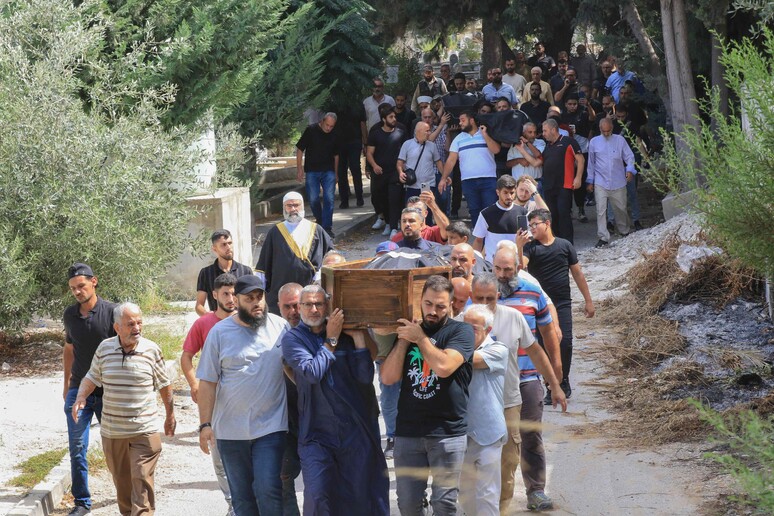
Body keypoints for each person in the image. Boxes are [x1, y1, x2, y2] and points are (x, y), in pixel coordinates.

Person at [282, 285, 389, 515]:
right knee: (318, 495)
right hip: (315, 433)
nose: (313, 309)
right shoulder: (293, 339)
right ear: (299, 308)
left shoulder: (345, 335)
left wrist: (359, 337)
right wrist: (331, 338)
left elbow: (364, 377)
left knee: (357, 495)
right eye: (308, 304)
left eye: (319, 304)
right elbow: (312, 373)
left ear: (327, 306)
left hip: (353, 431)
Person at [467, 273, 567, 513]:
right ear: (471, 297)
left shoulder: (513, 318)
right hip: (473, 403)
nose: (483, 304)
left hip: (508, 401)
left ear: (498, 297)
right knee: (470, 463)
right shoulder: (461, 321)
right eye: (478, 298)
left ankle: (500, 509)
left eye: (489, 299)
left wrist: (554, 384)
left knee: (507, 462)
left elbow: (534, 351)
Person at [380, 275, 475, 516]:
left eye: (440, 306)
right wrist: (404, 340)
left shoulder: (461, 332)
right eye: (429, 304)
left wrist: (420, 339)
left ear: (451, 305)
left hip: (447, 432)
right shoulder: (410, 332)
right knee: (408, 504)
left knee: (444, 504)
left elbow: (443, 368)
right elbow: (388, 378)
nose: (433, 311)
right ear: (420, 301)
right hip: (408, 432)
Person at [196, 275, 289, 516]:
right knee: (242, 497)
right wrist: (205, 424)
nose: (257, 303)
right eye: (250, 299)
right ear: (237, 300)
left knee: (269, 489)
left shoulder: (280, 327)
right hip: (230, 431)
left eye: (260, 298)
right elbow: (207, 382)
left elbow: (295, 368)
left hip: (270, 426)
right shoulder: (219, 333)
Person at [71, 303, 175, 516]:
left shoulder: (151, 350)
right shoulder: (105, 348)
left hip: (144, 431)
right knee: (123, 485)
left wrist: (170, 415)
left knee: (141, 480)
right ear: (117, 327)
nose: (137, 328)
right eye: (130, 324)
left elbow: (165, 384)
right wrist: (81, 396)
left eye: (139, 322)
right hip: (113, 432)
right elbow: (92, 376)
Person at [517, 209, 595, 402]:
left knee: (565, 342)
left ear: (547, 223)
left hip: (562, 302)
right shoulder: (530, 248)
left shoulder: (564, 245)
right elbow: (520, 269)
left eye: (536, 224)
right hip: (539, 304)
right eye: (530, 225)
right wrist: (519, 247)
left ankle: (563, 380)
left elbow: (578, 274)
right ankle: (551, 384)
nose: (532, 228)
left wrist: (588, 300)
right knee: (543, 345)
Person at [62, 263, 117, 516]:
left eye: (81, 286)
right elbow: (69, 349)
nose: (77, 292)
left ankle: (125, 492)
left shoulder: (113, 312)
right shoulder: (70, 315)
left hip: (108, 392)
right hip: (78, 392)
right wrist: (67, 386)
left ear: (94, 282)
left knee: (114, 447)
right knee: (77, 446)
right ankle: (82, 502)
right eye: (73, 288)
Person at [181, 273, 237, 514]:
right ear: (214, 295)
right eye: (225, 293)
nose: (231, 298)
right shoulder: (203, 324)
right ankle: (233, 504)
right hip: (213, 401)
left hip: (242, 400)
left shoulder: (246, 322)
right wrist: (194, 384)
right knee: (220, 458)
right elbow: (186, 356)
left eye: (234, 293)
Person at [458, 304, 509, 516]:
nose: (468, 334)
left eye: (474, 329)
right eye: (464, 328)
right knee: (465, 495)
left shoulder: (498, 350)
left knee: (487, 494)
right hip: (461, 433)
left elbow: (471, 361)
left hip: (488, 432)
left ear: (488, 330)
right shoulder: (457, 350)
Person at [256, 192, 334, 315]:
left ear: (302, 206)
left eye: (296, 205)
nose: (293, 209)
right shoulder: (275, 232)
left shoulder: (316, 230)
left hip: (311, 293)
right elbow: (263, 267)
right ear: (284, 208)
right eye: (289, 206)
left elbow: (331, 258)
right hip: (282, 293)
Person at [439, 110, 500, 227]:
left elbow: (496, 150)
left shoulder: (487, 134)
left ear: (471, 120)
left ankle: (491, 237)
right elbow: (451, 160)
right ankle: (478, 239)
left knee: (490, 209)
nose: (460, 123)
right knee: (474, 210)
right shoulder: (458, 138)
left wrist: (485, 135)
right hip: (468, 181)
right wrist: (443, 178)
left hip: (488, 179)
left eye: (463, 120)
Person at [587, 117, 636, 247]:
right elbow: (591, 163)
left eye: (608, 131)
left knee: (621, 208)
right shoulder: (594, 142)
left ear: (612, 129)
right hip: (600, 181)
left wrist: (630, 170)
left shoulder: (620, 140)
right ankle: (603, 237)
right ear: (600, 129)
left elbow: (629, 156)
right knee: (601, 210)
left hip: (618, 181)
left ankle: (624, 231)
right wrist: (590, 181)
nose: (607, 133)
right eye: (604, 131)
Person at [277, 283, 304, 516]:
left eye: (296, 305)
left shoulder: (319, 332)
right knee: (284, 481)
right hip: (285, 423)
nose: (293, 311)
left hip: (316, 421)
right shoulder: (272, 334)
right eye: (287, 307)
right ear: (279, 307)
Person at [366, 104, 409, 238]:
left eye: (394, 116)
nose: (394, 119)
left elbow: (407, 149)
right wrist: (374, 166)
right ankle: (388, 223)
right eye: (391, 117)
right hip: (380, 173)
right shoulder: (375, 133)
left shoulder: (401, 131)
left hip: (395, 172)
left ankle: (395, 227)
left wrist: (403, 167)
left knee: (394, 198)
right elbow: (369, 153)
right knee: (382, 198)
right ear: (384, 119)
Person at [540, 119, 584, 243]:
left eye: (545, 130)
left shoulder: (568, 141)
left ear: (553, 129)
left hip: (564, 185)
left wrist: (578, 177)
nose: (543, 133)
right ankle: (558, 243)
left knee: (564, 214)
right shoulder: (548, 146)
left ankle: (568, 244)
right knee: (553, 215)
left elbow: (580, 160)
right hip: (549, 186)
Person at [296, 113, 339, 237]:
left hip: (328, 170)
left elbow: (336, 155)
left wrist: (336, 173)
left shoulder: (334, 134)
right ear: (322, 121)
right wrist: (299, 168)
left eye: (331, 126)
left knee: (329, 198)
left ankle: (327, 227)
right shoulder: (311, 130)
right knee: (313, 198)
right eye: (327, 125)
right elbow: (300, 149)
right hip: (312, 170)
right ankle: (320, 219)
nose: (328, 128)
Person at [196, 229, 254, 316]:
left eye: (230, 243)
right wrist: (211, 319)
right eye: (223, 245)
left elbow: (252, 300)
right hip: (218, 325)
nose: (228, 247)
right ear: (214, 249)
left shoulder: (246, 271)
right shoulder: (206, 273)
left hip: (241, 324)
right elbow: (199, 305)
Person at [472, 175, 529, 261]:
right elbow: (478, 240)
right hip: (491, 266)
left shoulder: (523, 213)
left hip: (514, 266)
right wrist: (475, 264)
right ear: (498, 192)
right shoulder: (486, 214)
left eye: (512, 193)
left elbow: (526, 242)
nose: (509, 196)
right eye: (505, 192)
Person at [397, 122, 443, 202]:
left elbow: (438, 162)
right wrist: (401, 173)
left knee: (427, 211)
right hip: (412, 184)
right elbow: (400, 162)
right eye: (427, 131)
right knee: (413, 211)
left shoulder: (432, 146)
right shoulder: (407, 144)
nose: (430, 133)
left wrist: (444, 176)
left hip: (427, 184)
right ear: (419, 131)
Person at [333, 103, 367, 208]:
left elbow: (362, 123)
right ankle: (344, 200)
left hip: (354, 141)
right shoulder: (336, 103)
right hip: (339, 142)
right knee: (341, 171)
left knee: (355, 169)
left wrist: (365, 142)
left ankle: (359, 197)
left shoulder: (358, 104)